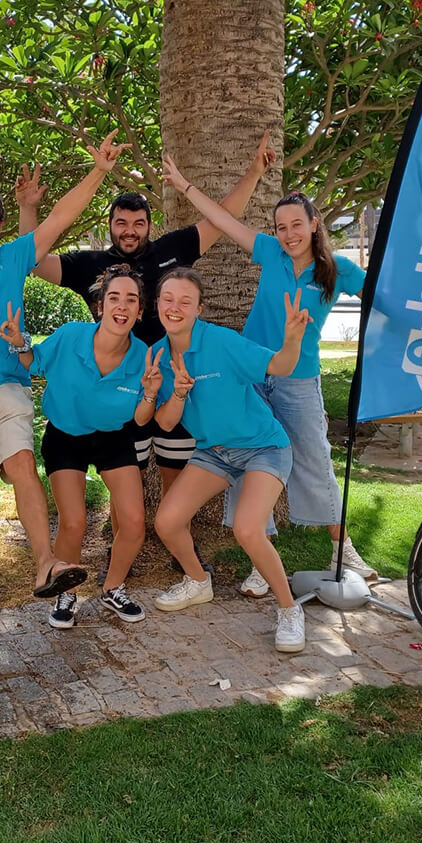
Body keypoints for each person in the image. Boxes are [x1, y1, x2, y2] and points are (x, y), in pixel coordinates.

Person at [0, 133, 132, 611]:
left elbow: (62, 217)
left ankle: (46, 565)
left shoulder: (14, 257)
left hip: (8, 385)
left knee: (22, 469)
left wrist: (99, 170)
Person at [16, 135, 276, 501]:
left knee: (176, 474)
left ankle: (174, 538)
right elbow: (33, 258)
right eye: (122, 223)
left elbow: (222, 218)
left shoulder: (172, 248)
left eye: (138, 223)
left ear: (149, 226)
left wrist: (253, 174)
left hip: (173, 384)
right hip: (127, 389)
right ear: (110, 225)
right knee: (130, 485)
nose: (129, 231)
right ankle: (126, 537)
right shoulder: (91, 265)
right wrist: (29, 210)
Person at [162, 156, 374, 584]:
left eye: (297, 224)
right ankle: (263, 556)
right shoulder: (270, 252)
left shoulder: (337, 270)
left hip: (298, 379)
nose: (289, 234)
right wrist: (185, 184)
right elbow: (223, 218)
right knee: (246, 457)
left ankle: (343, 549)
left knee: (314, 460)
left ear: (314, 224)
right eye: (282, 227)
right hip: (253, 375)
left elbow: (383, 295)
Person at [147, 266, 313, 652]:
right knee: (167, 521)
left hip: (263, 448)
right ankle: (197, 581)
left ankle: (289, 608)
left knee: (247, 529)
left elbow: (281, 366)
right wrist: (179, 394)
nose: (175, 307)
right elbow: (166, 422)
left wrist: (292, 340)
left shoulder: (222, 342)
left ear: (199, 308)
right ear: (157, 305)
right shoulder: (156, 353)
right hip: (214, 453)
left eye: (185, 301)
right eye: (168, 299)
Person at [0, 266, 157, 628]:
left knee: (133, 522)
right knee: (74, 521)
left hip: (113, 437)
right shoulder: (71, 336)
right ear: (100, 306)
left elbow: (143, 418)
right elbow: (34, 362)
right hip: (66, 436)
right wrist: (19, 340)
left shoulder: (142, 355)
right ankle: (65, 593)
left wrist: (149, 391)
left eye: (131, 300)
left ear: (140, 310)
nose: (122, 306)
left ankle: (113, 587)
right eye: (114, 297)